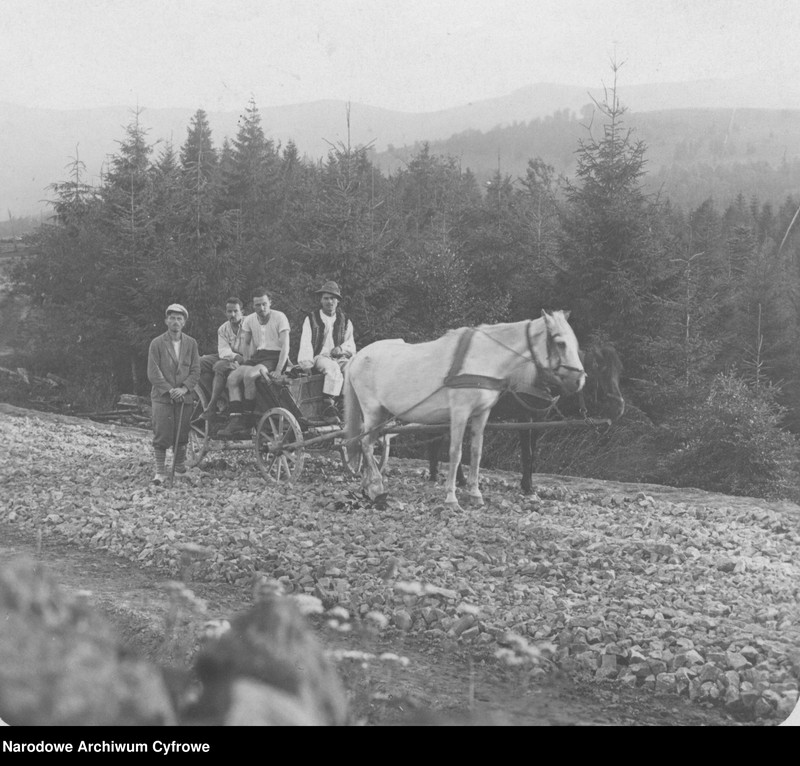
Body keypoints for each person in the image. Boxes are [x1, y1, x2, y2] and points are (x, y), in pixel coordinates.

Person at [217, 287, 291, 437]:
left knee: (250, 376)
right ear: (253, 305)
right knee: (232, 377)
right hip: (258, 357)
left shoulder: (279, 317)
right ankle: (236, 418)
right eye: (257, 305)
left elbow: (285, 345)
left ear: (270, 302)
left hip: (274, 356)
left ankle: (248, 418)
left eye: (264, 304)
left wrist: (278, 369)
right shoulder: (250, 319)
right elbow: (246, 342)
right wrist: (245, 360)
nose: (261, 308)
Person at [147, 303, 201, 485]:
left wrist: (184, 389)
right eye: (172, 318)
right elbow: (153, 371)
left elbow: (195, 370)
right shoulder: (157, 343)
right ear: (166, 321)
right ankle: (160, 472)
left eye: (179, 318)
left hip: (184, 397)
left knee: (182, 433)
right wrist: (169, 390)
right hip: (163, 397)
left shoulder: (191, 343)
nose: (175, 321)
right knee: (162, 433)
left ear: (184, 322)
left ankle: (178, 468)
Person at [297, 280, 356, 421]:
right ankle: (328, 407)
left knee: (352, 367)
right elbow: (306, 342)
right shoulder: (312, 319)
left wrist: (341, 349)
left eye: (333, 298)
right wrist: (306, 364)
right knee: (333, 368)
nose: (329, 302)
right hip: (320, 357)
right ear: (321, 300)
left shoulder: (344, 320)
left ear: (338, 301)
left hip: (339, 357)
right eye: (326, 298)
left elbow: (351, 345)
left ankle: (344, 404)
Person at [198, 297, 245, 420]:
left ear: (242, 311)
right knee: (198, 363)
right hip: (229, 356)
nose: (232, 314)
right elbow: (223, 350)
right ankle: (221, 400)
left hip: (245, 359)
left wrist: (240, 358)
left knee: (219, 367)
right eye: (229, 311)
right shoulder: (223, 328)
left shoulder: (249, 325)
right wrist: (235, 356)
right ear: (226, 312)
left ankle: (212, 406)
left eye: (236, 311)